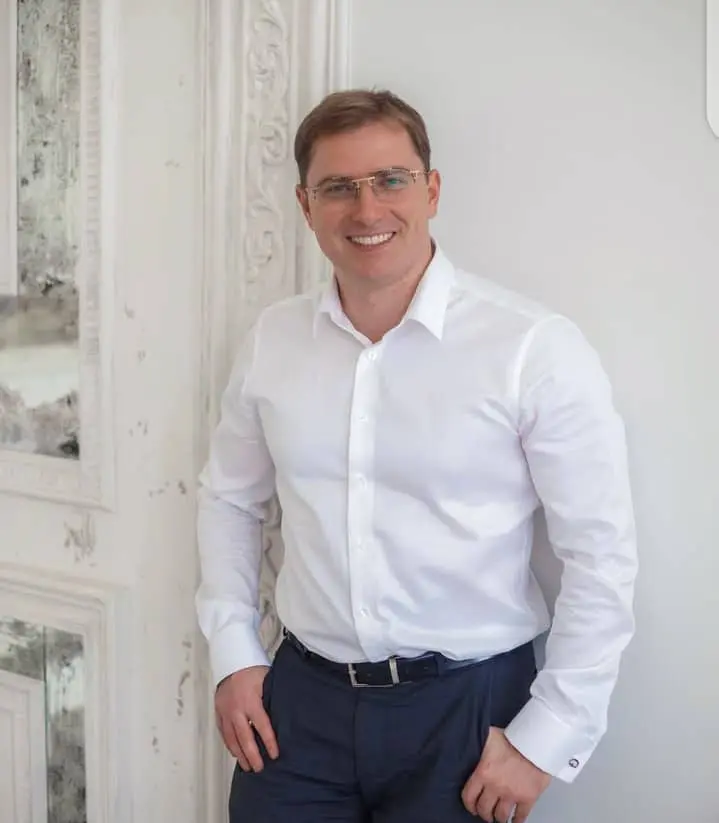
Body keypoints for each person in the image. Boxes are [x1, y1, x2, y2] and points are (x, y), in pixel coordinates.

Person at [196, 89, 638, 823]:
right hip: (297, 705)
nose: (366, 209)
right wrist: (234, 654)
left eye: (390, 180)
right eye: (338, 187)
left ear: (430, 190)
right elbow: (229, 498)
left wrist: (548, 735)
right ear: (306, 205)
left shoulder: (531, 348)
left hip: (467, 713)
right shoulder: (273, 339)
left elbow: (600, 552)